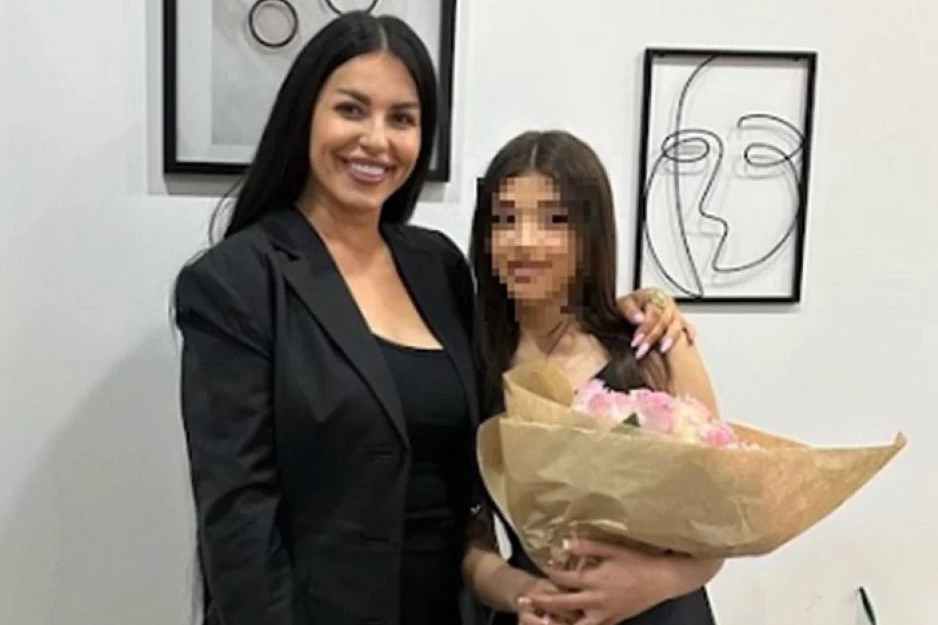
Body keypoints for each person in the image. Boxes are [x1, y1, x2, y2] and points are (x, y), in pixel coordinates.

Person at [172, 11, 694, 625]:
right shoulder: (237, 282)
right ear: (304, 115)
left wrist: (632, 308)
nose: (376, 140)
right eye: (351, 110)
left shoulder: (435, 266)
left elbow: (471, 475)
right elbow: (238, 514)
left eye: (402, 119)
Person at [466, 130, 724, 625]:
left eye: (553, 220)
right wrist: (524, 594)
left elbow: (719, 524)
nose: (524, 241)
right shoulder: (472, 363)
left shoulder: (653, 347)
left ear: (590, 233)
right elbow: (466, 535)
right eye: (505, 219)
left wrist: (651, 582)